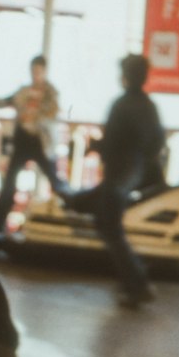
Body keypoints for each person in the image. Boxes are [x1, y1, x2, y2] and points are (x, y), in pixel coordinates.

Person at [65, 53, 166, 308]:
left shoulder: (120, 105)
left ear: (125, 76)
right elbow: (157, 142)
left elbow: (110, 142)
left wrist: (96, 146)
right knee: (107, 223)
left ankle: (138, 283)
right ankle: (132, 280)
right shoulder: (149, 106)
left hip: (117, 175)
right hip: (134, 174)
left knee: (110, 228)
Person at [0, 54, 66, 234]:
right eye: (33, 71)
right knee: (10, 184)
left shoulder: (51, 94)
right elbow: (2, 102)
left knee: (54, 180)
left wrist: (36, 118)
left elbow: (52, 114)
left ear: (44, 72)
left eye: (38, 71)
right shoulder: (23, 91)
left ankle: (72, 212)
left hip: (40, 141)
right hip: (23, 140)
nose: (35, 75)